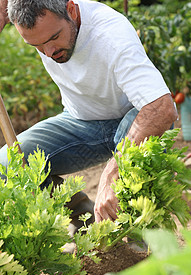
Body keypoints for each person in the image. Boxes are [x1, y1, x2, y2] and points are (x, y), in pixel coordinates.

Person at [0, 0, 178, 224]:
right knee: (8, 163)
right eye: (36, 45)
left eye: (54, 38)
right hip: (81, 122)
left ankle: (140, 236)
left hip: (134, 121)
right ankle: (85, 219)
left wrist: (114, 172)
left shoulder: (111, 35)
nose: (49, 52)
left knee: (133, 162)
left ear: (71, 11)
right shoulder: (42, 24)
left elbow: (161, 108)